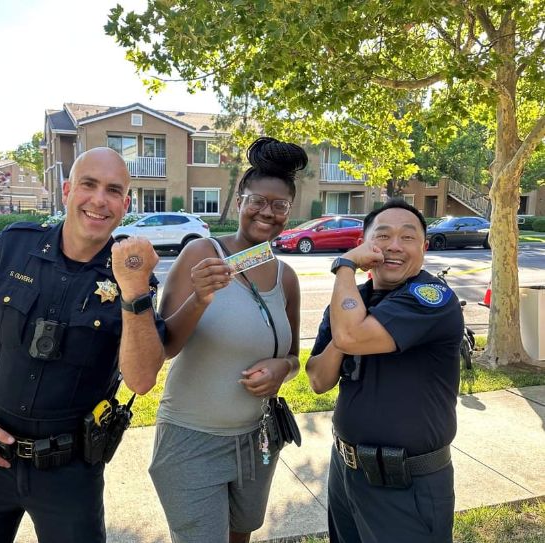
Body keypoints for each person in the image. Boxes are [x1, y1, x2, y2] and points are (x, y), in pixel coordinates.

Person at [0, 147, 165, 543]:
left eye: (113, 191)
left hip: (71, 473)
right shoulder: (13, 247)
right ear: (66, 190)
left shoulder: (133, 274)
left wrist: (133, 289)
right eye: (88, 185)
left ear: (126, 204)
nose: (99, 200)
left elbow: (142, 379)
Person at [144, 137, 306, 543]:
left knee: (240, 536)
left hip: (257, 439)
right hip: (192, 439)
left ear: (289, 212)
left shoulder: (285, 276)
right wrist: (200, 297)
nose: (266, 212)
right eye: (257, 200)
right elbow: (164, 346)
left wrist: (281, 368)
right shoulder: (202, 253)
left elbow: (293, 357)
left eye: (279, 205)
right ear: (239, 200)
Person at [306, 199, 463, 543]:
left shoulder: (431, 297)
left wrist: (344, 265)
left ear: (422, 248)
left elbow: (349, 334)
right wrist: (349, 331)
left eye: (408, 238)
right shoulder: (352, 299)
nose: (394, 246)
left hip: (404, 483)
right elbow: (318, 379)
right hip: (345, 471)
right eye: (383, 235)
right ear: (367, 244)